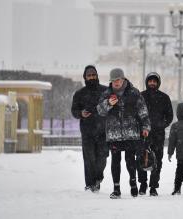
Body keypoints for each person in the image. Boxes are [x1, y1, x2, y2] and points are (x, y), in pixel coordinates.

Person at [97, 68, 151, 199]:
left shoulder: (134, 92)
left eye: (118, 80)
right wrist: (108, 103)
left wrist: (146, 127)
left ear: (123, 79)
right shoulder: (106, 94)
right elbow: (100, 111)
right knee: (115, 161)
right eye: (113, 80)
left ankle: (133, 183)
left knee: (130, 160)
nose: (116, 82)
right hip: (114, 134)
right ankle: (116, 189)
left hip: (131, 133)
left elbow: (143, 111)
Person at [71, 65, 108, 192]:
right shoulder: (79, 94)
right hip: (87, 132)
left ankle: (98, 178)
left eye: (93, 75)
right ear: (85, 77)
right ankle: (89, 184)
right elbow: (74, 111)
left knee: (102, 158)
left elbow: (112, 106)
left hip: (103, 131)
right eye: (89, 75)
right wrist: (81, 113)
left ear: (97, 76)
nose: (92, 77)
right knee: (89, 159)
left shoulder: (106, 91)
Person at [138, 72, 173, 196]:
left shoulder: (164, 97)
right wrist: (141, 128)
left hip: (158, 135)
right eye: (150, 81)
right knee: (141, 159)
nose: (152, 83)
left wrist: (161, 125)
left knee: (157, 160)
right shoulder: (140, 96)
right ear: (147, 82)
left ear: (158, 83)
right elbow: (136, 115)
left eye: (154, 81)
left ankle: (153, 186)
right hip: (143, 134)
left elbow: (169, 116)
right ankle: (142, 185)